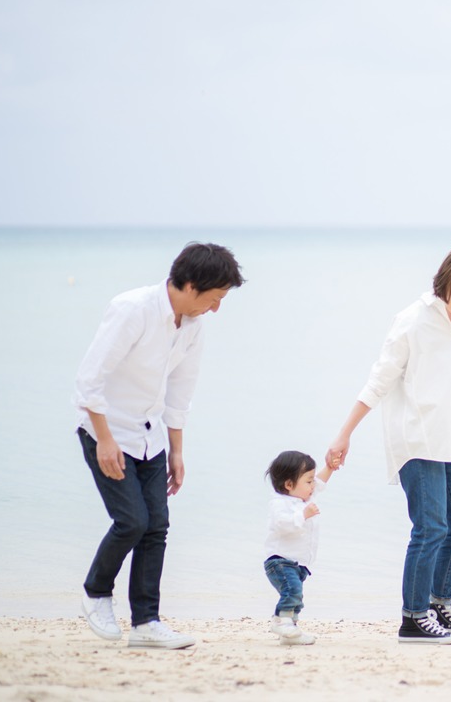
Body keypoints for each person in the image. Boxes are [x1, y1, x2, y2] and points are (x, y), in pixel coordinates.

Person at [327, 243, 451, 644]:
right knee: (431, 527)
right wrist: (344, 433)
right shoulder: (413, 320)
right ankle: (413, 617)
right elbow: (380, 379)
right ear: (449, 276)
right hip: (417, 437)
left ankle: (440, 604)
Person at [74, 241, 244, 649]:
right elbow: (89, 379)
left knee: (158, 527)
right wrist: (106, 441)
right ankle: (96, 592)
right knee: (132, 521)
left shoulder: (193, 326)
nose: (216, 308)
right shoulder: (133, 309)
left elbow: (180, 391)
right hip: (107, 432)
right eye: (215, 298)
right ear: (189, 285)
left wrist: (178, 450)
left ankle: (146, 623)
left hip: (150, 437)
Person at [263, 450, 338, 645]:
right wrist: (303, 515)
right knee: (292, 591)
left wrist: (329, 468)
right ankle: (281, 621)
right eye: (308, 481)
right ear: (289, 484)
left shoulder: (305, 498)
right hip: (280, 561)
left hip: (298, 563)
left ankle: (290, 632)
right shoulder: (280, 503)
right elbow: (282, 524)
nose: (313, 486)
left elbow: (320, 484)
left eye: (312, 480)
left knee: (297, 598)